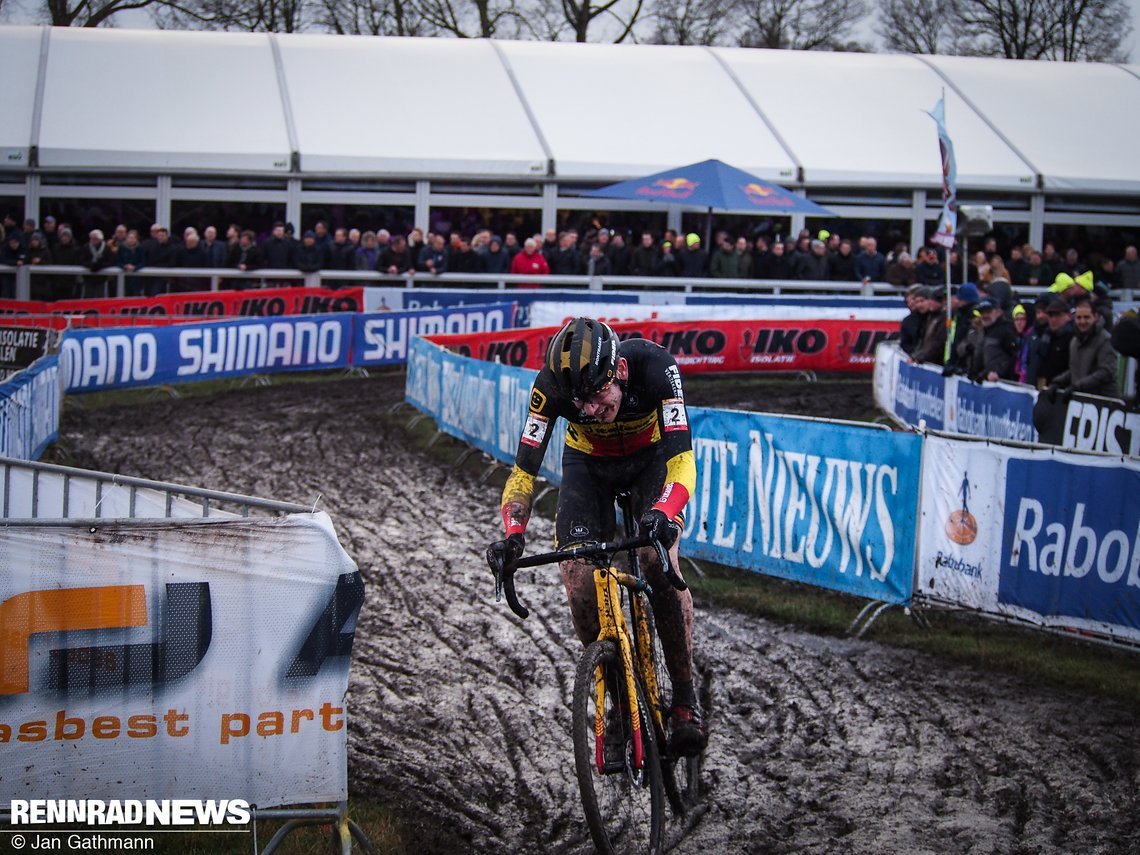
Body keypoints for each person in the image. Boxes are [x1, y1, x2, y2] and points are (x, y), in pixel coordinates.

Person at [486, 318, 707, 758]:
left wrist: (664, 512)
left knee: (655, 561)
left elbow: (682, 461)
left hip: (652, 462)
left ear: (619, 373)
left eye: (596, 395)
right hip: (587, 467)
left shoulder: (656, 368)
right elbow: (523, 474)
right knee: (578, 578)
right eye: (578, 401)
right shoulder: (549, 388)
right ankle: (620, 705)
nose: (588, 409)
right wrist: (513, 534)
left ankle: (684, 699)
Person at [1046, 296, 1120, 400]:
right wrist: (1057, 382)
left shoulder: (1105, 340)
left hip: (1103, 402)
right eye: (1079, 318)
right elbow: (1074, 370)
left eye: (1086, 317)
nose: (1082, 322)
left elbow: (1106, 372)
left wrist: (1078, 386)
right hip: (1082, 400)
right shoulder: (1075, 341)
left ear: (1096, 317)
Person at [969, 298, 1019, 382]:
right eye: (982, 313)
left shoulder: (1006, 330)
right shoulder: (983, 330)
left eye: (988, 312)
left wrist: (999, 373)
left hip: (1000, 382)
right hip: (984, 380)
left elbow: (1013, 357)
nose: (984, 316)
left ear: (998, 312)